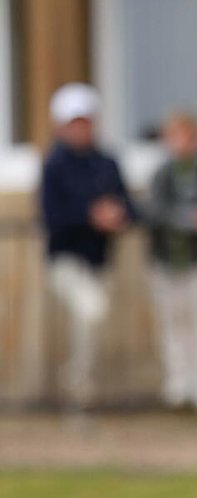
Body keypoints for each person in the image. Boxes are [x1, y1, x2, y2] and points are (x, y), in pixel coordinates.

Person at [40, 82, 135, 410]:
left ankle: (82, 384)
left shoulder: (106, 163)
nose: (81, 129)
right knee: (91, 311)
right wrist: (90, 216)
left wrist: (118, 215)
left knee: (91, 320)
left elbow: (130, 207)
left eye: (85, 121)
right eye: (74, 122)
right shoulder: (54, 164)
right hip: (65, 260)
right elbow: (51, 215)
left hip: (99, 259)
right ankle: (78, 382)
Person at [144, 111, 197, 413]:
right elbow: (155, 212)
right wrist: (188, 219)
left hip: (196, 259)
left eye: (188, 137)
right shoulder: (162, 173)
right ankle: (178, 382)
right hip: (164, 260)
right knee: (172, 320)